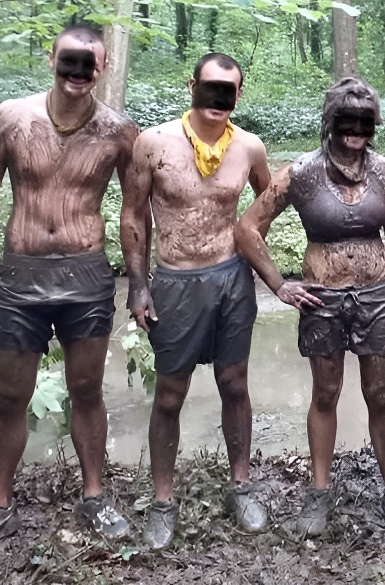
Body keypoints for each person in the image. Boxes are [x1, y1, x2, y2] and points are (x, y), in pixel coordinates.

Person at [0, 24, 138, 559]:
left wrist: (141, 281)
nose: (77, 73)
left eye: (88, 64)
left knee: (87, 389)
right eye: (68, 61)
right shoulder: (12, 117)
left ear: (102, 67)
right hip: (21, 275)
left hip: (86, 276)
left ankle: (94, 497)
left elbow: (133, 211)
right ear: (51, 58)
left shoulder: (119, 131)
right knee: (11, 394)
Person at [236, 77, 385, 537]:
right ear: (330, 122)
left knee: (379, 396)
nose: (355, 130)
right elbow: (248, 228)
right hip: (322, 300)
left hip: (376, 297)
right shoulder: (301, 173)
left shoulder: (384, 173)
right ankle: (319, 493)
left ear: (373, 125)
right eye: (346, 121)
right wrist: (279, 286)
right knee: (325, 394)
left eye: (364, 121)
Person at [120, 53, 273, 549]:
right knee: (170, 393)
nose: (218, 97)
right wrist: (138, 284)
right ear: (192, 86)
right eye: (210, 86)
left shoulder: (249, 147)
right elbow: (133, 216)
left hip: (232, 278)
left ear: (238, 95)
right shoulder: (154, 144)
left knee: (234, 383)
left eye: (228, 90)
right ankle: (163, 500)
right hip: (175, 280)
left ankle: (241, 486)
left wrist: (249, 249)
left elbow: (268, 203)